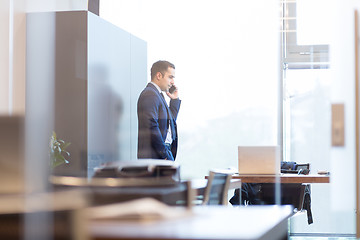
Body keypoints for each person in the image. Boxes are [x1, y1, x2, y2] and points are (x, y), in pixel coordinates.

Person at [137, 60, 181, 160]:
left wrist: (174, 100)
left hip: (162, 153)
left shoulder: (157, 95)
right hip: (156, 156)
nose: (172, 82)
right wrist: (164, 154)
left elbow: (170, 122)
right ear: (159, 76)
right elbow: (151, 126)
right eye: (170, 77)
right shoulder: (150, 94)